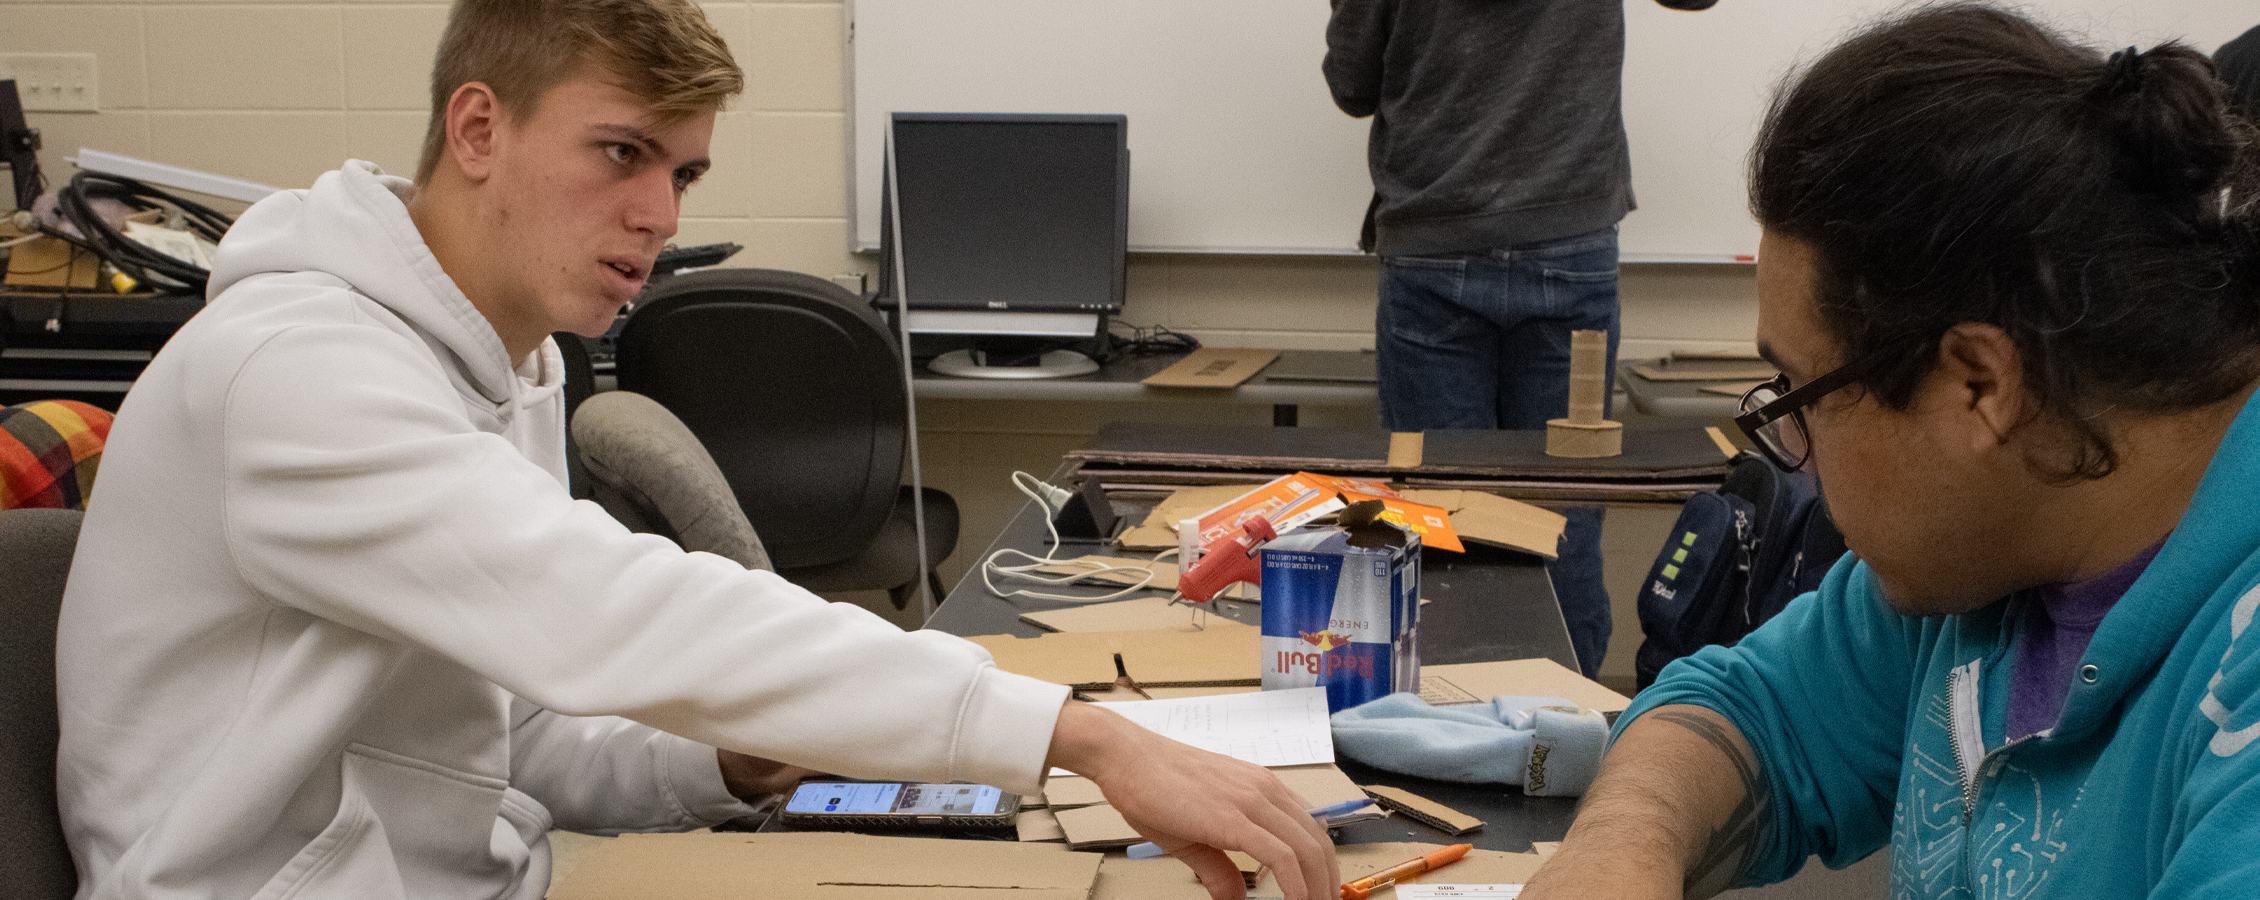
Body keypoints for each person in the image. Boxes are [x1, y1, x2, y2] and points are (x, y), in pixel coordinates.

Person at [50, 0, 1338, 898]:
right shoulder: (300, 373)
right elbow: (605, 613)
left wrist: (713, 759)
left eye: (684, 174)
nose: (657, 218)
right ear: (479, 128)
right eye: (621, 154)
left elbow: (502, 734)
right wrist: (1083, 735)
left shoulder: (514, 357)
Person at [1520, 4, 2260, 898]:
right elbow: (1744, 711)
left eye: (1802, 397)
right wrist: (1621, 847)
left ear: (1979, 384)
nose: (1798, 457)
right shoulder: (1980, 555)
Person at [1323, 0, 1711, 679]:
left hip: (1433, 246)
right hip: (1569, 239)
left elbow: (1352, 83)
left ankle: (1444, 732)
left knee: (1438, 518)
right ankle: (1569, 739)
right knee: (1567, 519)